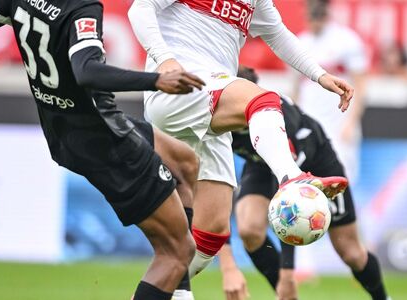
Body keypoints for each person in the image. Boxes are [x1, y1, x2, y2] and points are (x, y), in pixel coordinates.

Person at [0, 1, 207, 299]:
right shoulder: (82, 7)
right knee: (177, 251)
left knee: (184, 162)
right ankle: (173, 282)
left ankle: (179, 294)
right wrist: (156, 80)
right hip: (104, 140)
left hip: (64, 131)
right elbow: (87, 72)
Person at [127, 1, 355, 298]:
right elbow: (139, 9)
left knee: (210, 235)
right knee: (264, 101)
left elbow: (278, 34)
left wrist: (319, 75)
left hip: (210, 99)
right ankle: (291, 178)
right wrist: (164, 58)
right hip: (179, 86)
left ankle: (154, 292)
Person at [216, 66, 389, 300]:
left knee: (351, 253)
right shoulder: (217, 122)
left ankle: (382, 298)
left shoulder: (275, 118)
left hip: (317, 163)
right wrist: (228, 265)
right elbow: (215, 191)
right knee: (249, 229)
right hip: (261, 164)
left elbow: (292, 203)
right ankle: (287, 295)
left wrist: (289, 274)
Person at [294, 0, 368, 185]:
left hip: (338, 123)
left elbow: (361, 85)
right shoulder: (300, 42)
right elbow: (295, 89)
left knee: (341, 181)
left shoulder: (347, 40)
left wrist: (351, 122)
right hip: (309, 124)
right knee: (309, 183)